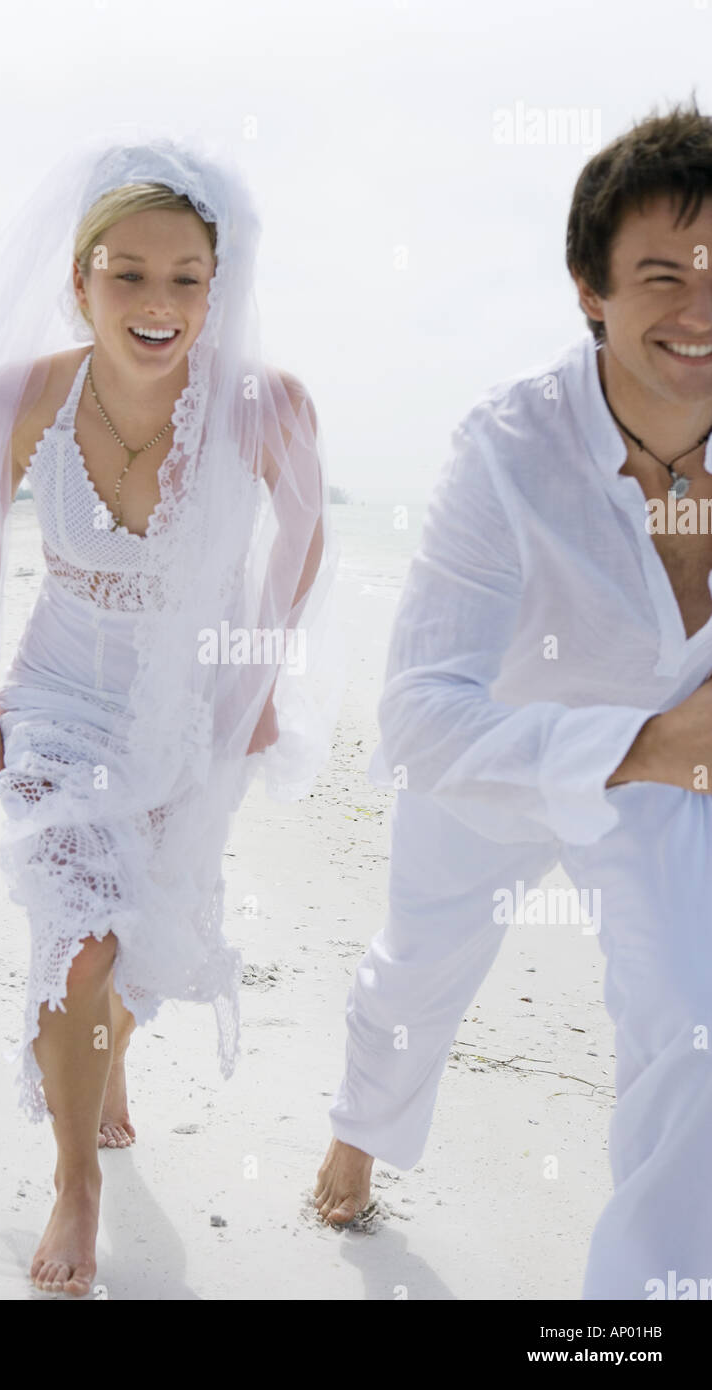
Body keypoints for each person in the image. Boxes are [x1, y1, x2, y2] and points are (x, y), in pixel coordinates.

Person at [0, 135, 340, 1297]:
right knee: (76, 937)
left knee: (146, 929)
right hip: (59, 697)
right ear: (81, 281)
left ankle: (111, 1063)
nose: (156, 303)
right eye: (128, 274)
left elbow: (305, 536)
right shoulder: (26, 395)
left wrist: (259, 679)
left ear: (218, 290)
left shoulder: (268, 408)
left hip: (187, 712)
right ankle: (78, 1178)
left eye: (185, 278)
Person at [316, 101, 712, 1300]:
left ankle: (650, 1300)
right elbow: (418, 716)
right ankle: (356, 1134)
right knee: (418, 970)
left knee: (693, 1020)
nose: (697, 311)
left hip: (674, 790)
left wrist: (665, 760)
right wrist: (640, 742)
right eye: (660, 276)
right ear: (588, 287)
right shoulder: (502, 451)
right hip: (500, 755)